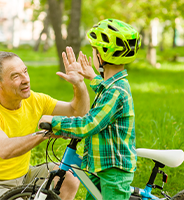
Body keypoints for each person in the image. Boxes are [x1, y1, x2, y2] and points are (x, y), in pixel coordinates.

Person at [0, 47, 90, 200]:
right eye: (16, 76)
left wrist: (79, 84)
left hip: (24, 176)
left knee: (68, 178)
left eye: (25, 71)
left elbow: (78, 111)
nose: (26, 79)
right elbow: (5, 149)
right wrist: (45, 134)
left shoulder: (35, 100)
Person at [39, 18, 141, 200]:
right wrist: (92, 76)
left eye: (94, 51)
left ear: (101, 56)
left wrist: (54, 121)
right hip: (100, 166)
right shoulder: (115, 86)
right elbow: (106, 89)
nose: (93, 55)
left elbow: (89, 124)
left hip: (113, 171)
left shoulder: (116, 92)